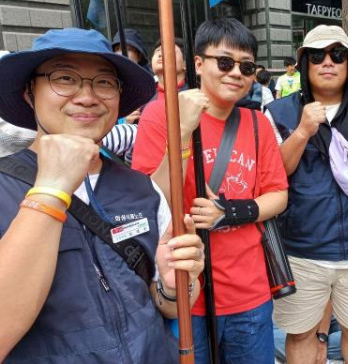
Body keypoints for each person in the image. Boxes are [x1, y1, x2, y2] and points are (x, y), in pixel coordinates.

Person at [0, 28, 204, 363]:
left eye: (105, 82)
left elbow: (165, 306)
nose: (87, 96)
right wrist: (50, 190)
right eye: (64, 78)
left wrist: (172, 284)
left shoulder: (142, 189)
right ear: (28, 92)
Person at [132, 18, 288, 364]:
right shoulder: (160, 115)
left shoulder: (258, 122)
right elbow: (147, 198)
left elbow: (278, 193)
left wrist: (230, 212)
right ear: (199, 63)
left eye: (246, 67)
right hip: (186, 292)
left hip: (250, 293)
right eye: (225, 62)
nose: (236, 73)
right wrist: (185, 132)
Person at [265, 25, 348, 364]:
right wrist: (302, 131)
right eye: (317, 56)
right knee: (299, 334)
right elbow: (275, 174)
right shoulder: (278, 111)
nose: (327, 62)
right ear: (304, 64)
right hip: (301, 249)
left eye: (337, 55)